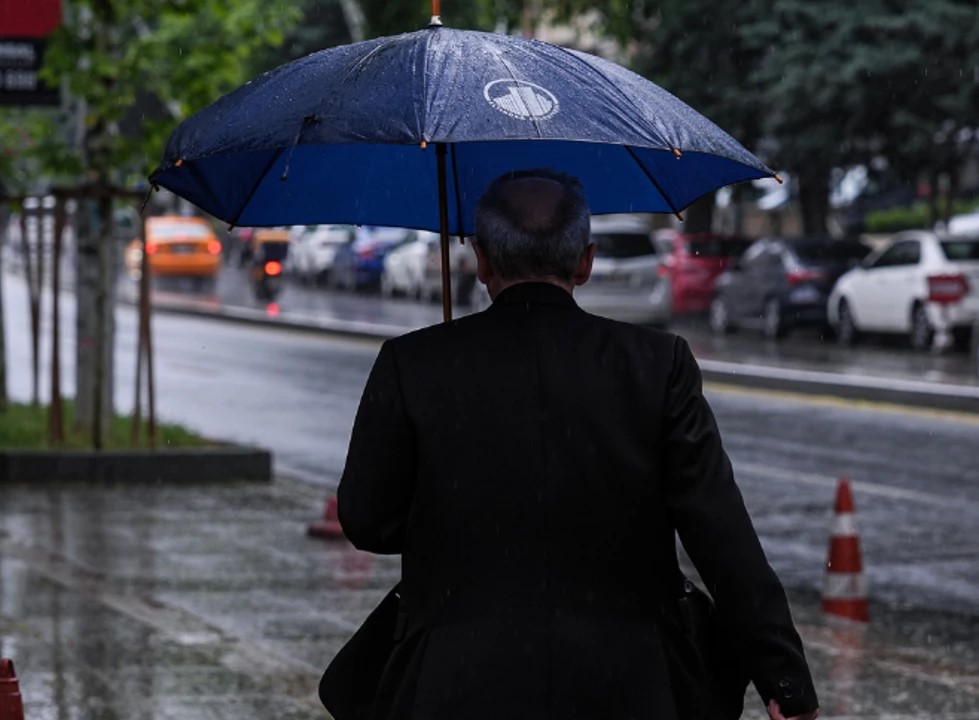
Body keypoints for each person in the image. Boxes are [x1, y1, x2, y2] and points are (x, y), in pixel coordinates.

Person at [333, 169, 819, 720]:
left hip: (455, 681)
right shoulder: (656, 364)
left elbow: (366, 519)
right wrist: (785, 679)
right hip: (630, 684)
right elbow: (722, 537)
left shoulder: (412, 363)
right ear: (584, 262)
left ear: (484, 262)